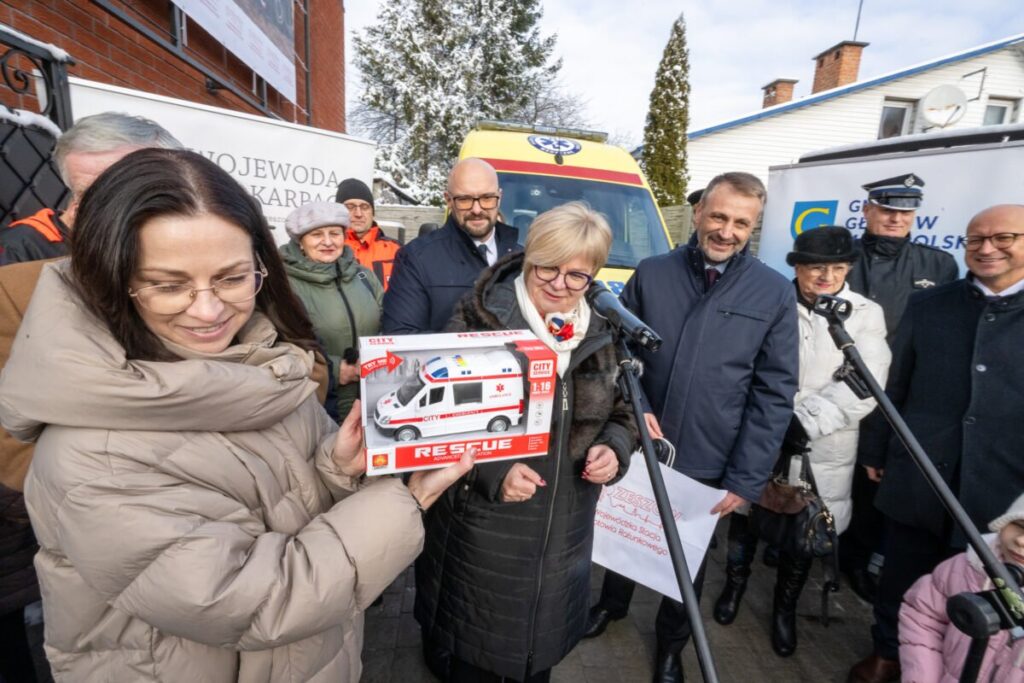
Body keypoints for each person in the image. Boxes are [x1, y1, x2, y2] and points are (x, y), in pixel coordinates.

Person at [0, 148, 473, 682]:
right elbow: (253, 602)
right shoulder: (92, 455)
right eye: (168, 284)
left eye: (232, 278)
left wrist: (335, 466)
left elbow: (275, 506)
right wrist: (407, 498)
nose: (208, 310)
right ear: (113, 278)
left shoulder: (262, 366)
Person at [585, 172, 799, 683]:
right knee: (626, 532)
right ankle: (611, 606)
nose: (727, 231)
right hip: (640, 441)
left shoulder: (773, 293)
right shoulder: (652, 273)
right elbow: (618, 350)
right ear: (700, 211)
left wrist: (746, 479)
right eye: (719, 216)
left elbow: (774, 393)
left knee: (688, 562)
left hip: (710, 455)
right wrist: (630, 407)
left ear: (753, 227)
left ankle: (670, 645)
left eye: (741, 223)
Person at [414, 202, 638, 682]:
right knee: (478, 660)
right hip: (484, 533)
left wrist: (614, 448)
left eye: (576, 275)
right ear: (528, 257)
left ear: (594, 276)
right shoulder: (479, 317)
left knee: (539, 663)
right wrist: (494, 472)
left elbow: (626, 411)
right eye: (547, 268)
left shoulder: (601, 330)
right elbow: (436, 418)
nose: (559, 285)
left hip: (565, 536)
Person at [0, 112, 183, 683]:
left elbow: (297, 366)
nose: (110, 209)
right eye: (88, 194)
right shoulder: (21, 286)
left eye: (133, 186)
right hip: (100, 556)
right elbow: (10, 438)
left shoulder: (230, 269)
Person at [848, 204, 1024, 683]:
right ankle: (887, 653)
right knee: (901, 578)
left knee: (984, 592)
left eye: (1004, 237)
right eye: (975, 240)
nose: (987, 248)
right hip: (920, 474)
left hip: (1003, 491)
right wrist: (876, 453)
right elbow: (896, 386)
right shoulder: (932, 305)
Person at [711, 226, 890, 657]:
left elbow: (865, 381)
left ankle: (784, 610)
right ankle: (733, 588)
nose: (825, 276)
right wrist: (769, 418)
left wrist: (803, 422)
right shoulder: (771, 301)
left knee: (803, 529)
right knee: (745, 516)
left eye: (836, 267)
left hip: (821, 445)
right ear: (798, 267)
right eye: (815, 267)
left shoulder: (865, 313)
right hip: (759, 432)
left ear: (848, 268)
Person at [844, 172, 960, 603]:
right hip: (840, 384)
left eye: (905, 211)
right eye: (888, 209)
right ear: (869, 209)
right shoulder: (844, 255)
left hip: (897, 393)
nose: (896, 219)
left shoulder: (938, 265)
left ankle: (856, 558)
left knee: (874, 483)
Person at [1, 112, 183, 265]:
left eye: (130, 186)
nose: (109, 201)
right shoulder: (20, 249)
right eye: (87, 191)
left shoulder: (182, 235)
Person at [381, 158, 521, 333]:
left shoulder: (524, 260)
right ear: (448, 200)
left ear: (499, 197)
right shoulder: (415, 259)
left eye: (487, 198)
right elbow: (400, 336)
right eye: (465, 199)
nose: (477, 209)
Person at [899, 493, 1024, 682]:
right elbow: (923, 616)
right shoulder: (967, 567)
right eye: (1018, 525)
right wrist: (923, 676)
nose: (1021, 541)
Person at [280, 200, 383, 419]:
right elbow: (280, 347)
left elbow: (388, 322)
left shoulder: (364, 276)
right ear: (300, 241)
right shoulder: (285, 285)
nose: (327, 242)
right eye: (317, 234)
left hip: (373, 397)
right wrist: (335, 370)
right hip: (320, 404)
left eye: (335, 233)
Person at [334, 178, 401, 289]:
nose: (358, 214)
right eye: (350, 207)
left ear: (372, 212)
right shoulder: (328, 249)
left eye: (365, 207)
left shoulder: (396, 250)